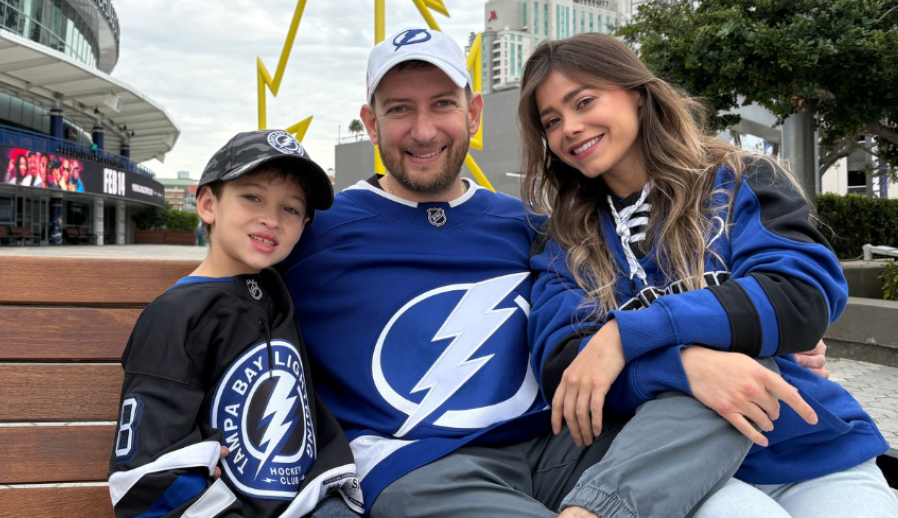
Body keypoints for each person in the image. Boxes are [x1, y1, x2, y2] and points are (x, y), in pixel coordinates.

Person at [282, 27, 812, 518]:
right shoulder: (312, 232)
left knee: (723, 384)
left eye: (442, 104)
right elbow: (219, 298)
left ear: (473, 114)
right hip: (422, 465)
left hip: (565, 440)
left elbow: (620, 308)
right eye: (400, 109)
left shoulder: (539, 227)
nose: (424, 130)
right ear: (371, 122)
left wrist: (727, 347)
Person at [518, 33, 898, 517]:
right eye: (552, 121)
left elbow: (802, 298)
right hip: (680, 465)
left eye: (584, 101)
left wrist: (625, 335)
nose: (569, 127)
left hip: (810, 446)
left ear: (637, 92)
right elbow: (566, 371)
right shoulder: (563, 238)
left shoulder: (739, 176)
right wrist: (687, 368)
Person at [107, 129, 362, 518]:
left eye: (291, 209)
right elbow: (146, 476)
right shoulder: (175, 316)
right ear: (208, 204)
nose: (272, 219)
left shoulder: (278, 292)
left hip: (315, 503)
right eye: (252, 196)